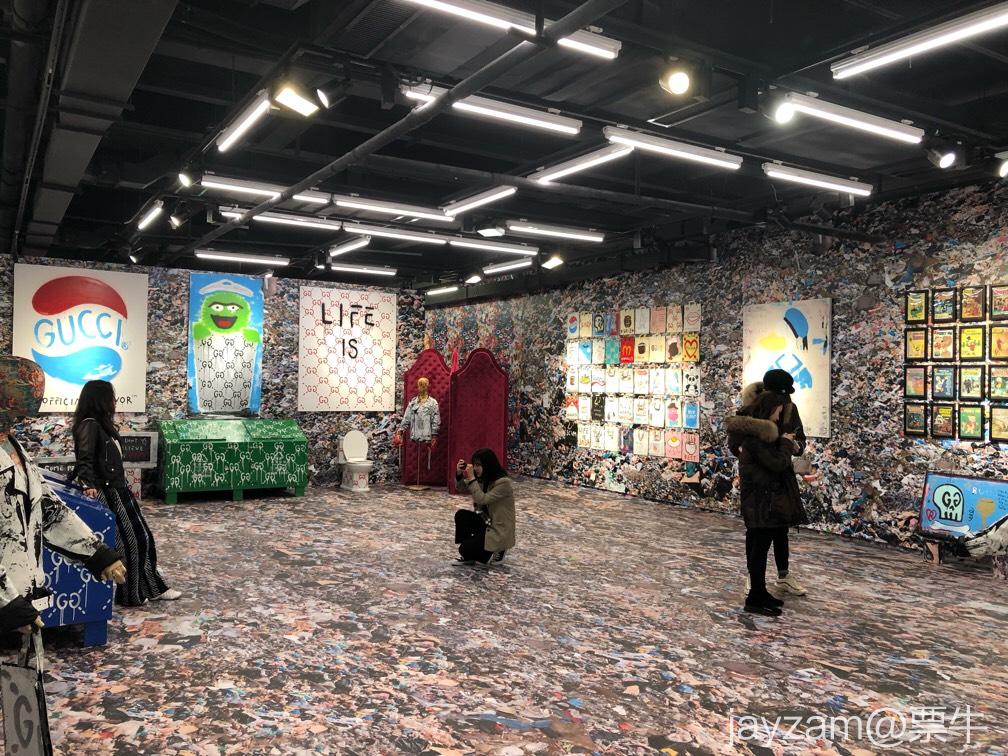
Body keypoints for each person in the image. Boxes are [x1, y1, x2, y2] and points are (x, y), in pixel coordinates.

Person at [0, 357, 126, 635]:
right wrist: (6, 603)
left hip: (22, 594)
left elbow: (48, 509)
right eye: (24, 383)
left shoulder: (12, 445)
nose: (37, 391)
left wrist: (96, 553)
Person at [72, 380, 180, 606]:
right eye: (111, 397)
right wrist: (88, 484)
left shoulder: (101, 425)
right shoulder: (89, 425)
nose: (114, 401)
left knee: (142, 538)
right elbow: (85, 458)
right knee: (130, 542)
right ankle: (131, 595)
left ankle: (152, 588)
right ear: (100, 400)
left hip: (118, 489)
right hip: (108, 491)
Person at [725, 390, 805, 616]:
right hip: (761, 502)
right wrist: (786, 443)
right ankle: (755, 597)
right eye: (777, 412)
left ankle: (759, 593)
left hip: (762, 501)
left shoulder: (757, 437)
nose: (779, 417)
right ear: (769, 410)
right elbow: (777, 463)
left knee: (760, 547)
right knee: (759, 550)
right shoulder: (756, 440)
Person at [740, 369, 808, 596]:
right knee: (756, 529)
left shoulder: (789, 409)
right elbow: (741, 442)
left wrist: (793, 446)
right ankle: (754, 578)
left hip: (780, 475)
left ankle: (783, 574)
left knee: (780, 527)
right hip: (761, 477)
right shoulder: (754, 409)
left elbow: (799, 439)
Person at [453, 449, 515, 565]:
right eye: (474, 465)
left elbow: (482, 499)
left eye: (478, 465)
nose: (475, 468)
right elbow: (461, 488)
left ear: (488, 465)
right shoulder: (481, 479)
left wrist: (472, 479)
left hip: (497, 527)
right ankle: (472, 549)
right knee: (461, 515)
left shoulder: (503, 483)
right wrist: (459, 474)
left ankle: (499, 547)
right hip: (485, 520)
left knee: (465, 550)